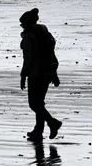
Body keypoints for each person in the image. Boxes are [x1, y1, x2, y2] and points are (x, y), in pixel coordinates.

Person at [19, 7, 62, 142]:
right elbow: (50, 54)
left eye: (22, 24)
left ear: (27, 23)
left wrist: (23, 76)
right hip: (48, 71)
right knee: (39, 103)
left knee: (34, 104)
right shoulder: (44, 33)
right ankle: (38, 131)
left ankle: (52, 122)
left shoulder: (29, 36)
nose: (21, 26)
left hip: (36, 74)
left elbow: (28, 58)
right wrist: (54, 73)